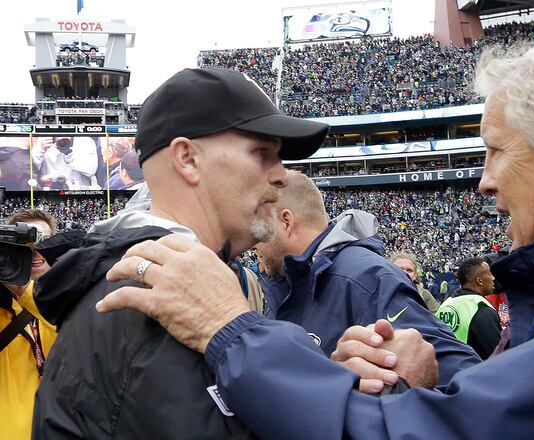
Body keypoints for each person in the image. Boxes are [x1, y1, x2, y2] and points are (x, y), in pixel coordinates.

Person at [97, 31, 534, 438]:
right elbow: (512, 400)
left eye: (494, 152)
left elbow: (446, 434)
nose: (483, 183)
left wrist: (230, 330)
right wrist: (431, 367)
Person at [32, 68, 329, 438]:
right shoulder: (150, 295)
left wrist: (327, 382)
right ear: (187, 159)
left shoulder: (172, 279)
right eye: (262, 152)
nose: (282, 176)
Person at [254, 171, 476, 390]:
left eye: (259, 230)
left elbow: (459, 375)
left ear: (286, 221)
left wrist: (372, 396)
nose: (252, 243)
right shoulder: (284, 283)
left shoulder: (367, 277)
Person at [1, 209, 58, 440]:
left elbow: (71, 329)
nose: (35, 253)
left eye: (44, 241)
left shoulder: (71, 303)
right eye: (26, 245)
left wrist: (26, 291)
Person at [435, 257, 501, 359]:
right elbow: (497, 354)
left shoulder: (445, 305)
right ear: (479, 281)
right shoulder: (480, 308)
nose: (493, 278)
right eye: (489, 273)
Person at [32, 136, 98, 189]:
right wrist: (40, 149)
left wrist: (69, 153)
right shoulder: (43, 140)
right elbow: (30, 171)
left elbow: (91, 171)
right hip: (50, 190)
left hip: (77, 190)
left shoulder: (84, 140)